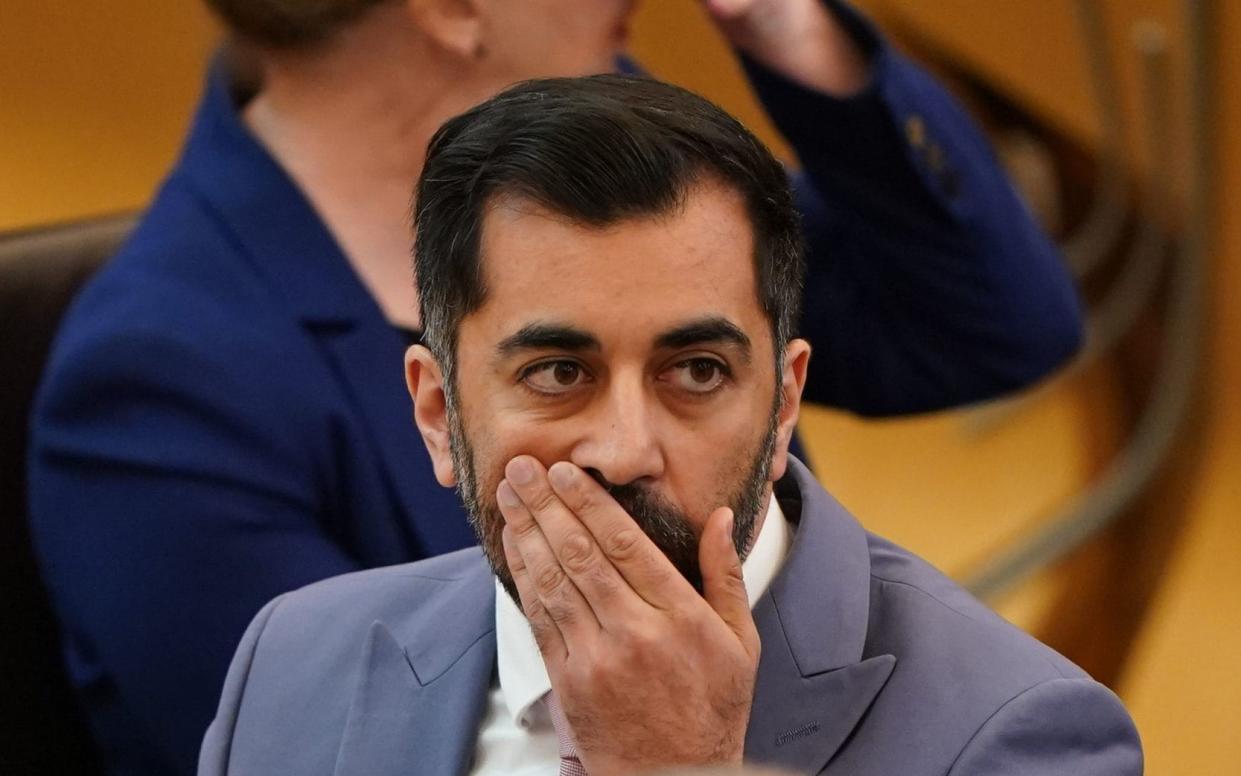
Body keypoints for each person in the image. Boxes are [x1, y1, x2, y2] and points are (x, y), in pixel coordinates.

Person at [29, 1, 1083, 774]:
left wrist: (783, 21)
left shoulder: (647, 196)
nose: (624, 445)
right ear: (434, 403)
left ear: (783, 389)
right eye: (557, 373)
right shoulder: (158, 382)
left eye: (697, 371)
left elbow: (990, 324)